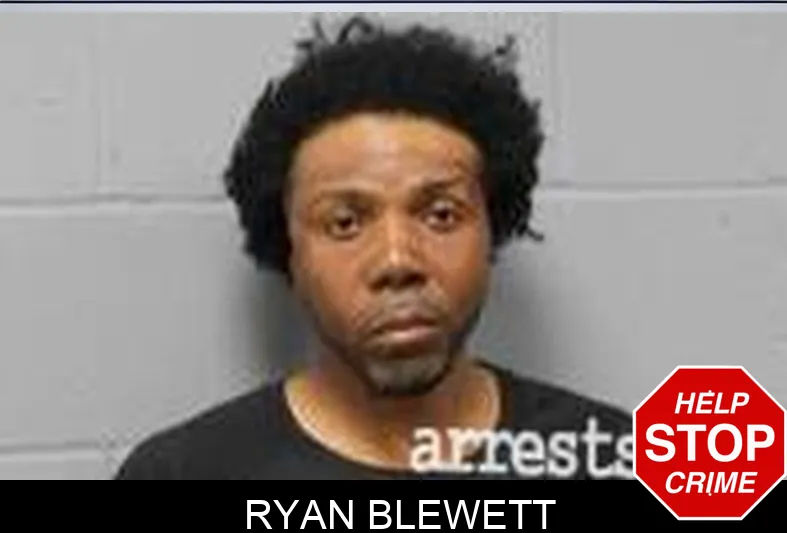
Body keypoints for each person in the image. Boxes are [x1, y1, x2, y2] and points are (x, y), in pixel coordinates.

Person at [115, 15, 633, 480]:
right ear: (289, 249)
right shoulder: (182, 473)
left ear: (491, 227)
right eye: (344, 223)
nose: (397, 260)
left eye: (441, 215)